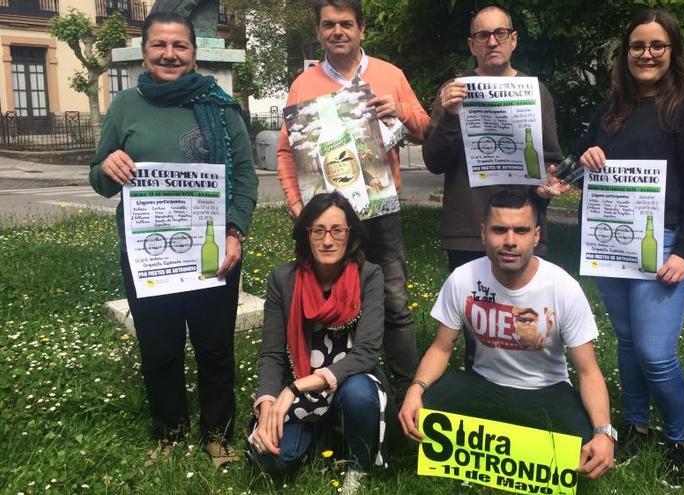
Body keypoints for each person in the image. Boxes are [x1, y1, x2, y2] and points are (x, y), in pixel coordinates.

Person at [89, 12, 257, 466]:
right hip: (148, 251)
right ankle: (169, 431)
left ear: (193, 52)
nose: (169, 54)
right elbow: (99, 175)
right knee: (159, 346)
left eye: (179, 46)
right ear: (144, 52)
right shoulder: (125, 104)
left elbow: (243, 173)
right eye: (159, 45)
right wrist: (107, 167)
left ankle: (217, 433)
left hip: (213, 246)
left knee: (215, 345)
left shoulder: (219, 105)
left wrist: (235, 230)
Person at [574, 9, 684, 487]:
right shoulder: (611, 108)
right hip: (612, 242)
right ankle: (636, 426)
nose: (647, 54)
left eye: (658, 45)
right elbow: (584, 160)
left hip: (670, 241)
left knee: (656, 351)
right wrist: (588, 155)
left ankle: (678, 441)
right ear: (627, 52)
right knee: (629, 342)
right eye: (638, 45)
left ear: (672, 51)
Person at [398, 191, 615, 481]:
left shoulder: (563, 287)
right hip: (484, 384)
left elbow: (588, 372)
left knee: (584, 451)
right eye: (500, 230)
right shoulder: (463, 279)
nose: (510, 241)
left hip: (546, 390)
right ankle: (518, 450)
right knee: (417, 421)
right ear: (483, 233)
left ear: (536, 236)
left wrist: (604, 432)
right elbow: (441, 348)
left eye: (521, 230)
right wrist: (416, 389)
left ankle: (503, 448)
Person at [276, 0, 429, 403]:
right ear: (318, 31)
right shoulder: (302, 85)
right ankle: (326, 391)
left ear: (361, 28)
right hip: (327, 221)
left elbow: (425, 128)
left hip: (381, 213)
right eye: (329, 25)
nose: (337, 31)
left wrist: (401, 111)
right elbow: (285, 152)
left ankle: (405, 394)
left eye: (346, 24)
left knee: (395, 301)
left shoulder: (389, 75)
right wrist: (296, 206)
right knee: (324, 303)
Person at [421, 5, 565, 371]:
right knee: (479, 332)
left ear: (513, 39)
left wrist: (549, 185)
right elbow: (434, 161)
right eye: (482, 35)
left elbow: (551, 160)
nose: (492, 41)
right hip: (468, 231)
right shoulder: (452, 92)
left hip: (524, 228)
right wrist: (450, 117)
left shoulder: (537, 93)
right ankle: (482, 393)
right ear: (472, 45)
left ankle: (530, 397)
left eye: (500, 33)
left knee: (527, 326)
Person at [249, 192, 389, 494]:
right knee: (270, 459)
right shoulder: (283, 279)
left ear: (349, 234)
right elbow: (272, 353)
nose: (328, 240)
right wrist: (267, 403)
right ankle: (319, 436)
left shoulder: (370, 276)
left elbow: (365, 353)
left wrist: (294, 389)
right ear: (306, 234)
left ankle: (358, 466)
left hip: (348, 381)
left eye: (337, 230)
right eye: (318, 230)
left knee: (360, 394)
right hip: (297, 383)